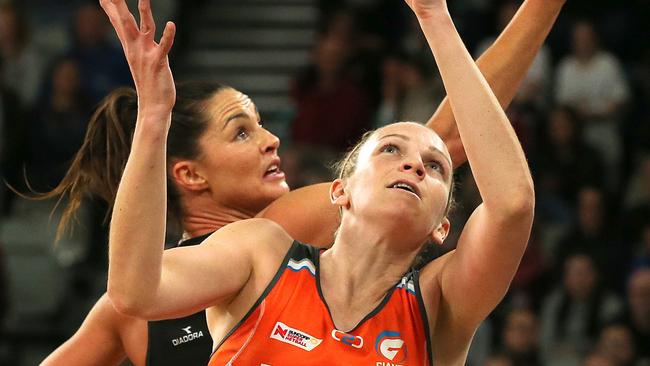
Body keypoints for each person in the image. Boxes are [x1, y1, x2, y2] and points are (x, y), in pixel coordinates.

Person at [42, 0, 566, 363]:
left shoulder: (302, 243)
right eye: (242, 133)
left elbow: (467, 168)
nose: (273, 140)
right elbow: (447, 138)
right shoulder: (267, 240)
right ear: (190, 174)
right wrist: (154, 118)